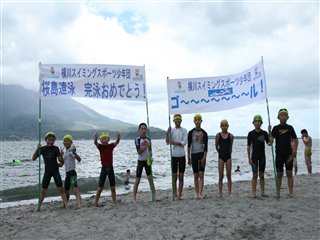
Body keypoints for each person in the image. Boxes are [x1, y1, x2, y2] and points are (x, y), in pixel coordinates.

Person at [32, 132, 68, 210]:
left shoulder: (56, 148)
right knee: (43, 191)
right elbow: (33, 158)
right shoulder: (42, 149)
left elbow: (60, 161)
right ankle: (38, 207)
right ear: (45, 140)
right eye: (49, 140)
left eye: (52, 140)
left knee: (61, 189)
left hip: (55, 171)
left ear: (54, 140)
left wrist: (61, 155)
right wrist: (37, 149)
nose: (51, 141)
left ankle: (66, 205)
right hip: (47, 172)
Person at [270, 109, 298, 197]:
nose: (283, 117)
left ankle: (291, 192)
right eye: (281, 115)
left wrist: (294, 150)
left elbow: (295, 139)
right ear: (278, 117)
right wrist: (269, 131)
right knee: (279, 174)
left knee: (289, 173)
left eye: (285, 115)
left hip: (289, 155)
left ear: (287, 117)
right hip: (279, 154)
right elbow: (270, 142)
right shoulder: (275, 128)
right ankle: (278, 192)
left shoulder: (290, 128)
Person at [247, 114, 271, 198]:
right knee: (254, 175)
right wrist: (249, 158)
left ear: (261, 123)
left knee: (261, 175)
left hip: (262, 157)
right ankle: (253, 193)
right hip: (254, 157)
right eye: (256, 122)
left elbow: (269, 143)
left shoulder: (264, 133)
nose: (257, 123)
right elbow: (248, 146)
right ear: (253, 123)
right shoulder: (250, 133)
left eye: (259, 122)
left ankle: (262, 192)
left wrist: (270, 132)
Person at [94, 132, 120, 206]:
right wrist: (95, 138)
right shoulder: (100, 147)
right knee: (100, 188)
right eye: (102, 139)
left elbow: (117, 142)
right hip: (104, 169)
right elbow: (95, 143)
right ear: (101, 141)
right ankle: (96, 202)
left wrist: (118, 137)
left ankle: (114, 201)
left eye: (106, 139)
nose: (104, 140)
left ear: (108, 139)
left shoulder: (111, 146)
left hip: (110, 168)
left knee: (113, 187)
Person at [166, 114, 188, 200]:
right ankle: (175, 194)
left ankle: (180, 194)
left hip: (182, 155)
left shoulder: (184, 130)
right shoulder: (172, 131)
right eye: (176, 120)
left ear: (181, 121)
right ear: (174, 121)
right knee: (174, 176)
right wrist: (167, 133)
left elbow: (184, 143)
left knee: (181, 176)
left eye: (179, 119)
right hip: (174, 155)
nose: (177, 121)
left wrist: (174, 142)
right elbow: (167, 142)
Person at [133, 123, 156, 202]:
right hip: (140, 161)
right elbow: (139, 151)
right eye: (142, 129)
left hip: (147, 161)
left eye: (145, 129)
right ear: (139, 130)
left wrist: (151, 157)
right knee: (137, 180)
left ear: (146, 130)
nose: (143, 130)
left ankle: (154, 196)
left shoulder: (149, 139)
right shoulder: (137, 139)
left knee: (150, 179)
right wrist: (146, 146)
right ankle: (134, 198)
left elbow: (150, 151)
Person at [187, 114, 208, 199]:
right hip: (194, 155)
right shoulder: (191, 132)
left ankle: (200, 193)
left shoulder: (204, 133)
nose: (197, 121)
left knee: (201, 175)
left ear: (201, 121)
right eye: (196, 120)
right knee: (196, 175)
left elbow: (206, 147)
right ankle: (196, 193)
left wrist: (204, 157)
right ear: (194, 121)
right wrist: (188, 157)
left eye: (199, 120)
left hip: (202, 154)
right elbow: (189, 146)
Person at [61, 134, 83, 208]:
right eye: (65, 141)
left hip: (72, 173)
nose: (66, 142)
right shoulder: (65, 152)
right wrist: (60, 156)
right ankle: (65, 204)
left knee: (75, 189)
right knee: (66, 190)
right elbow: (61, 164)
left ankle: (80, 205)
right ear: (63, 142)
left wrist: (74, 152)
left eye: (68, 140)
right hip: (67, 174)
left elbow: (79, 159)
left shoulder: (71, 150)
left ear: (71, 142)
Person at [215, 119, 234, 198]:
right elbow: (216, 146)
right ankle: (220, 193)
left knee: (229, 176)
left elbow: (231, 147)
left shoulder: (231, 136)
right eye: (222, 125)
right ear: (220, 126)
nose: (224, 127)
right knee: (220, 176)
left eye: (225, 125)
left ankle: (230, 193)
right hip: (221, 157)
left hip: (228, 156)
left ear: (228, 126)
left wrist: (229, 154)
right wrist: (219, 152)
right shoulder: (218, 135)